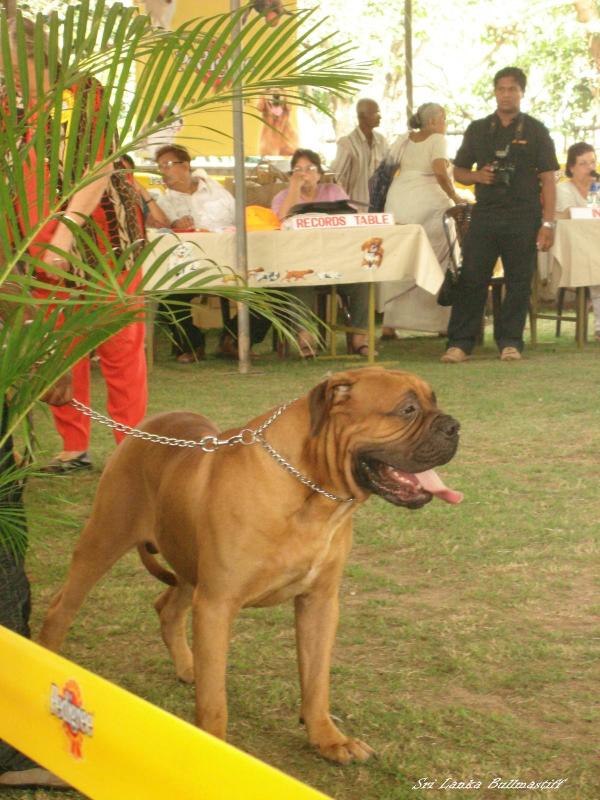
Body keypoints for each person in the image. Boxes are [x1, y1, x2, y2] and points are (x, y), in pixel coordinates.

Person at [4, 16, 149, 474]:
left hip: (102, 242)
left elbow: (98, 168)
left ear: (37, 56)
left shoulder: (81, 94)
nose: (11, 78)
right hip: (35, 243)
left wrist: (64, 233)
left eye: (14, 67)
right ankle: (74, 445)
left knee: (119, 344)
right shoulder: (11, 104)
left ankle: (132, 448)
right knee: (57, 346)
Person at [441, 66, 559, 363]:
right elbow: (458, 172)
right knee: (472, 277)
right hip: (486, 215)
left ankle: (510, 342)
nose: (506, 94)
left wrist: (548, 223)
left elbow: (548, 179)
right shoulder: (478, 129)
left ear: (521, 93)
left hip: (524, 215)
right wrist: (479, 176)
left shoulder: (536, 130)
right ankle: (460, 343)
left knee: (519, 281)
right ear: (494, 92)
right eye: (501, 89)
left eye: (513, 89)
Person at [369, 103, 461, 337]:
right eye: (444, 119)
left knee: (399, 257)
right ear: (432, 122)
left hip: (399, 201)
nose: (445, 125)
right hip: (426, 204)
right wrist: (455, 197)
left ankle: (390, 324)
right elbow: (440, 170)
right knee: (435, 257)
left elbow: (385, 173)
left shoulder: (405, 139)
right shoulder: (437, 139)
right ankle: (439, 324)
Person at [271, 148, 372, 357]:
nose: (304, 173)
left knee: (365, 277)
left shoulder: (334, 191)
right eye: (297, 169)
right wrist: (293, 189)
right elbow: (279, 222)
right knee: (299, 279)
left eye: (310, 168)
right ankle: (305, 337)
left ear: (319, 174)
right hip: (301, 261)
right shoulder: (282, 197)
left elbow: (351, 219)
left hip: (336, 260)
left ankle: (359, 337)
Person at [154, 145, 236, 363]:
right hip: (189, 266)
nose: (163, 171)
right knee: (165, 298)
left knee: (268, 289)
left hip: (228, 262)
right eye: (160, 167)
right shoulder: (163, 201)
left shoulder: (216, 190)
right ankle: (193, 343)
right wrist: (175, 224)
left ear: (186, 166)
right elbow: (161, 228)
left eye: (168, 165)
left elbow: (238, 220)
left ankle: (234, 339)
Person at [555, 142, 600, 342]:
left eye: (593, 162)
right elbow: (566, 215)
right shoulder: (563, 188)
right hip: (570, 249)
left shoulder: (598, 186)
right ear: (571, 167)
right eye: (583, 163)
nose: (590, 168)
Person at [331, 98, 389, 209]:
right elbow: (337, 177)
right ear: (362, 116)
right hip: (356, 208)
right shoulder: (347, 143)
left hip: (379, 207)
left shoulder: (381, 141)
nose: (380, 116)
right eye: (376, 113)